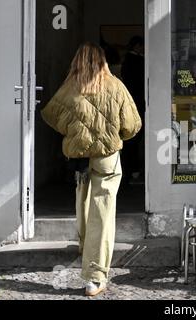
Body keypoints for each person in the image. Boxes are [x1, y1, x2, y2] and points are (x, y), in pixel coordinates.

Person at [41, 42, 141, 296]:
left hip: (79, 160)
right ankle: (95, 277)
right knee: (102, 215)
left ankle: (85, 251)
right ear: (103, 61)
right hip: (107, 159)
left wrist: (74, 129)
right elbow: (132, 126)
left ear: (77, 60)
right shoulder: (115, 85)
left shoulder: (69, 87)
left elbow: (50, 115)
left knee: (83, 210)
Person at [120, 35, 145, 184]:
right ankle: (132, 171)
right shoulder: (138, 61)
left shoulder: (127, 62)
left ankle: (129, 171)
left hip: (130, 103)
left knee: (130, 138)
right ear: (137, 46)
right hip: (138, 103)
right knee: (134, 139)